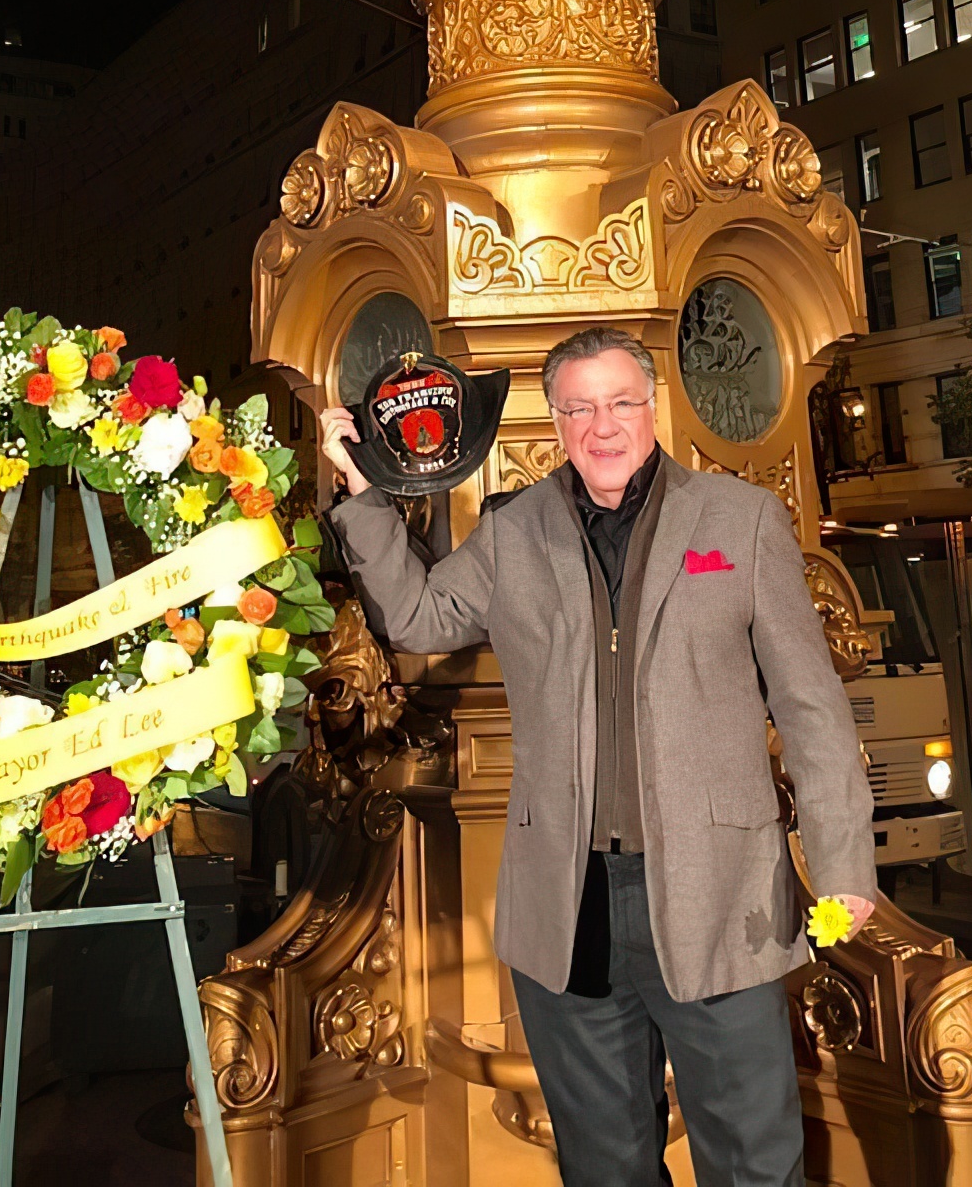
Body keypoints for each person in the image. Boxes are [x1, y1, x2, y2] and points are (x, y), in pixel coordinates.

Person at [320, 325, 876, 1187]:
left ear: (653, 407)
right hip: (568, 905)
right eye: (579, 409)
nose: (602, 425)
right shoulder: (514, 531)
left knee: (756, 1167)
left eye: (620, 402)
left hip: (720, 898)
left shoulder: (741, 520)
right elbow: (420, 618)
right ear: (556, 421)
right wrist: (363, 487)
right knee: (605, 1169)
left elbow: (812, 707)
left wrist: (843, 865)